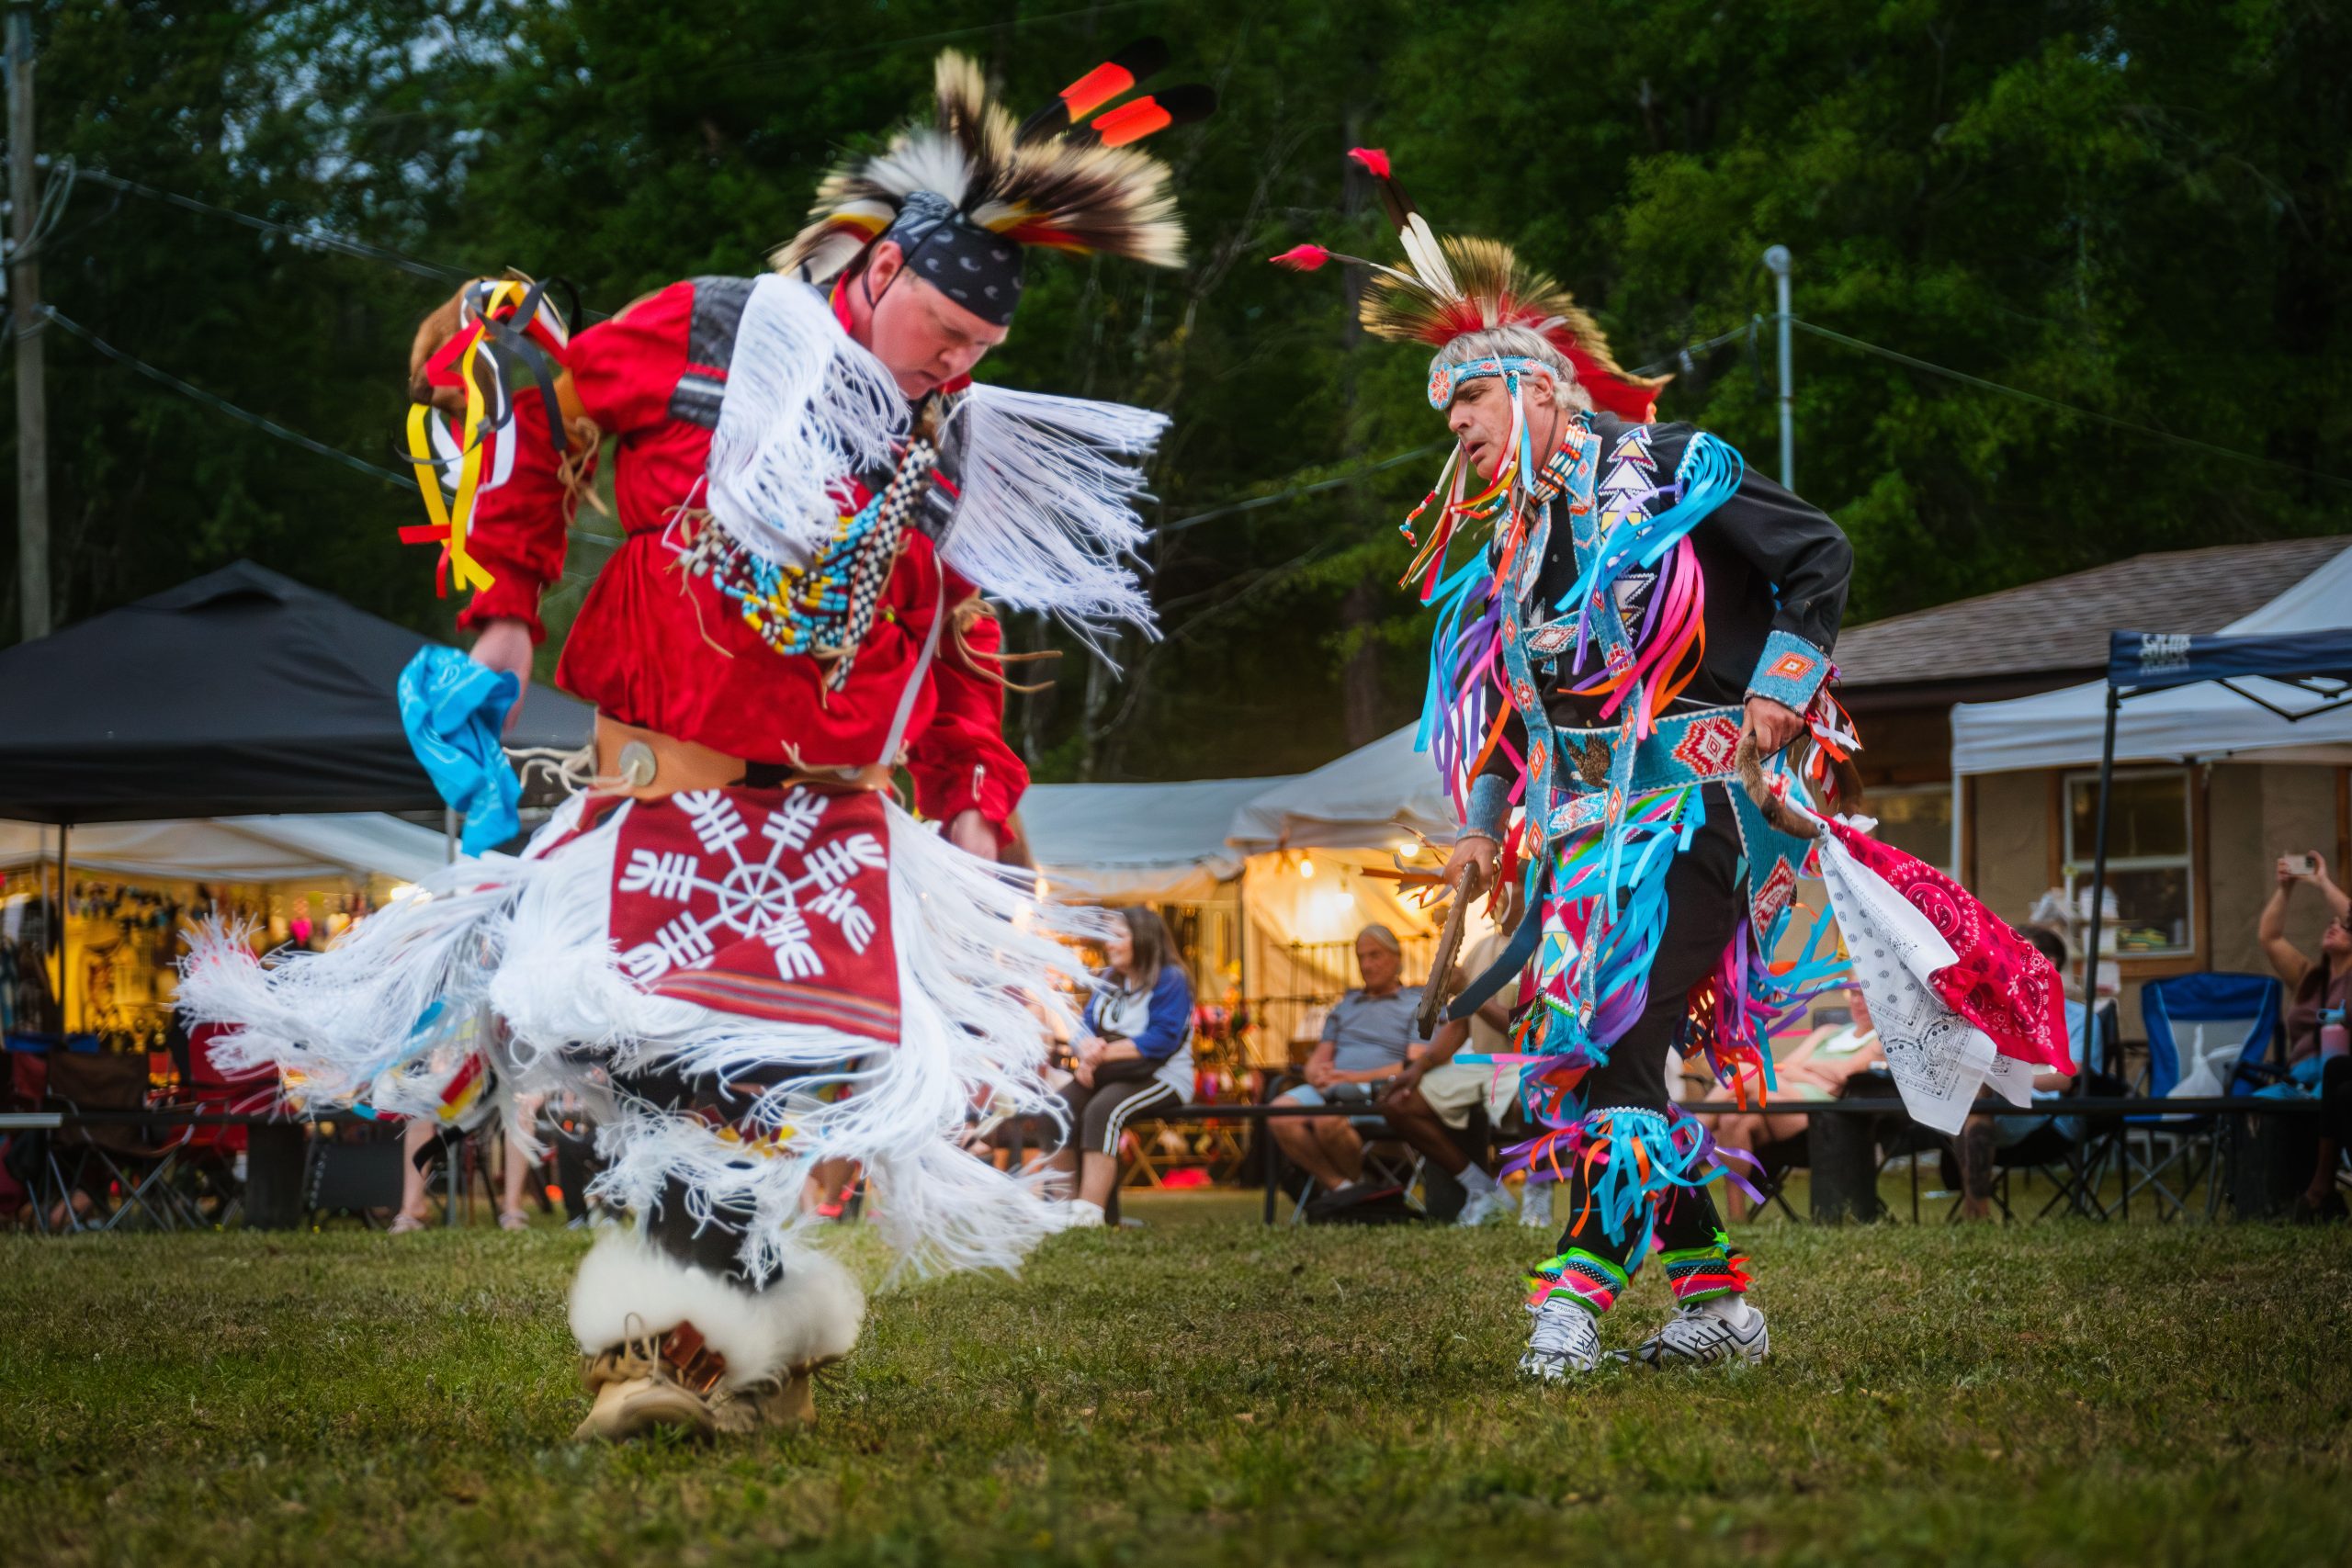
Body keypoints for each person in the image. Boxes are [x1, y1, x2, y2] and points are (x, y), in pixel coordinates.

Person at [179, 49, 1208, 1440]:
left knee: (742, 1082)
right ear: (883, 270)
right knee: (663, 1066)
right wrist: (505, 613)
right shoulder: (714, 331)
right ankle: (730, 1344)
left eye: (983, 347)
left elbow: (958, 634)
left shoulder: (951, 439)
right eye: (947, 329)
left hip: (830, 821)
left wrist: (973, 788)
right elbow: (540, 420)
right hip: (665, 790)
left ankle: (696, 1351)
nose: (960, 363)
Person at [1273, 149, 2064, 1381]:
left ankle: (1570, 1302)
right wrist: (1481, 822)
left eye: (1471, 400)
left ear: (1539, 389)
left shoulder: (1673, 470)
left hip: (1704, 808)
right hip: (1587, 838)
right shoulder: (1514, 550)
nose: (1457, 427)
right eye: (1448, 413)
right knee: (1608, 1057)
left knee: (1616, 1029)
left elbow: (1818, 554)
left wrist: (1780, 690)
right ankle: (1718, 1303)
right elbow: (1514, 718)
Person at [1045, 907, 1194, 1229]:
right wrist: (1085, 1050)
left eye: (1117, 936)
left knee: (1104, 1111)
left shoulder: (1170, 979)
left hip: (1161, 1076)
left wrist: (1099, 1056)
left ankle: (1088, 1216)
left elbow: (1162, 1039)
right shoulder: (1108, 979)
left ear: (1142, 938)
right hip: (1109, 1074)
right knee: (1055, 1111)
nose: (1108, 943)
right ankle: (1062, 1213)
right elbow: (1084, 1026)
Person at [1381, 925, 1527, 1226]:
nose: (1496, 902)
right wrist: (1420, 1067)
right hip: (1478, 1062)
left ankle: (1539, 1198)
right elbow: (1460, 1024)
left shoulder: (1545, 943)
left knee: (1531, 1100)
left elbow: (1531, 1030)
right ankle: (1482, 1189)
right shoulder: (1482, 947)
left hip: (1525, 1062)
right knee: (1399, 1103)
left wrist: (1471, 991)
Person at [1702, 984, 1885, 1222]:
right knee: (1732, 1118)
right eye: (1854, 994)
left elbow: (1844, 1074)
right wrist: (1818, 1077)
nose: (1858, 1001)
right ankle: (1737, 1217)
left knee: (1746, 1071)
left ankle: (1687, 1136)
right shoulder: (1828, 1032)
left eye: (1865, 995)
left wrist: (1805, 1070)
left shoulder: (1879, 1040)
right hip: (1784, 1098)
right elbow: (1784, 1067)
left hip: (1819, 1111)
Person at [1269, 925, 1427, 1197]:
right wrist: (1316, 1074)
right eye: (1361, 957)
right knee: (1279, 1113)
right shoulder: (1345, 1006)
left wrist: (1352, 1078)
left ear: (1397, 957)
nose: (1366, 965)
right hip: (1335, 1088)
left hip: (1384, 1091)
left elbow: (1414, 1064)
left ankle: (1354, 1194)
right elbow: (1318, 1058)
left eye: (1374, 955)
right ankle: (1346, 1189)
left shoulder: (1417, 1003)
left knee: (1327, 1121)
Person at [1954, 927, 2083, 1221]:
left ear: (2047, 962)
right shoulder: (1998, 1013)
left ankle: (1976, 1213)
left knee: (1977, 1098)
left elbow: (2069, 1079)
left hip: (2049, 1115)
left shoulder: (2078, 1019)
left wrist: (2009, 1080)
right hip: (1994, 1107)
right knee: (1971, 1092)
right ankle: (1977, 1212)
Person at [2258, 852, 2352, 1221]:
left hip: (2336, 1073)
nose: (2334, 926)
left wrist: (2323, 882)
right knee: (2252, 1107)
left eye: (2343, 926)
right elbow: (2269, 937)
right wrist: (2285, 889)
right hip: (2297, 1079)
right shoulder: (2309, 976)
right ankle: (2263, 1200)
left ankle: (2316, 1191)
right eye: (2329, 924)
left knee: (2334, 1082)